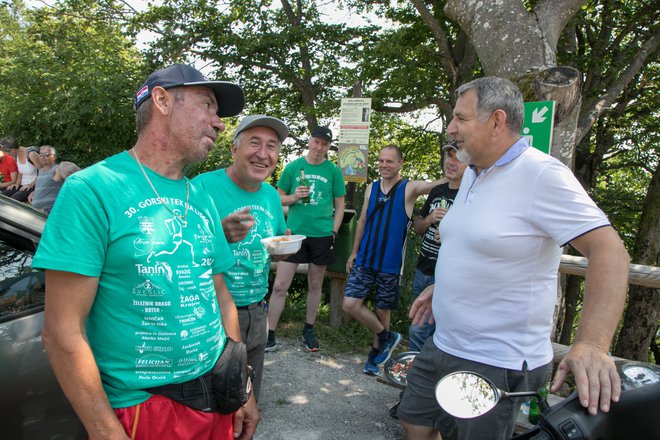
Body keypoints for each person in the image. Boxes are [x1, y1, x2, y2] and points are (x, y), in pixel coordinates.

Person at [32, 63, 260, 440]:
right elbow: (61, 332)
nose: (219, 123)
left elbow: (221, 297)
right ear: (162, 100)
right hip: (146, 410)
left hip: (216, 396)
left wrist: (241, 388)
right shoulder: (92, 190)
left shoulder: (199, 195)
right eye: (207, 106)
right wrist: (106, 432)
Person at [397, 77, 630, 440]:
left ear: (496, 121)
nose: (451, 127)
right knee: (415, 423)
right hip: (444, 341)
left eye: (461, 118)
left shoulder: (541, 174)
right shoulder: (476, 172)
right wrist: (442, 286)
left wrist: (592, 344)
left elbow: (610, 252)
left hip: (497, 359)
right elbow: (481, 244)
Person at [193, 114, 289, 402]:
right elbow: (178, 254)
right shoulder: (201, 188)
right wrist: (219, 234)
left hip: (258, 311)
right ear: (234, 150)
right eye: (254, 143)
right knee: (212, 401)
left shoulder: (271, 195)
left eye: (271, 146)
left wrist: (284, 246)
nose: (263, 154)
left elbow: (277, 241)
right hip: (212, 312)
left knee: (249, 399)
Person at [342, 145, 444, 375]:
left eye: (389, 161)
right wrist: (353, 252)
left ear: (400, 164)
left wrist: (464, 166)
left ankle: (376, 356)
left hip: (390, 263)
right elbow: (362, 222)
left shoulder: (408, 188)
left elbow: (434, 185)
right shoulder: (371, 188)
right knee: (349, 304)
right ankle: (387, 337)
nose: (384, 165)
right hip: (365, 258)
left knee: (382, 311)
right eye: (381, 161)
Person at [266, 126, 346, 352]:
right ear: (309, 142)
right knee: (280, 285)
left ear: (328, 147)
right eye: (316, 142)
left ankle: (308, 330)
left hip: (322, 234)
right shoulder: (293, 167)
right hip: (294, 234)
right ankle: (270, 334)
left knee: (315, 284)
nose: (319, 148)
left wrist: (334, 231)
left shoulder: (333, 171)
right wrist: (294, 196)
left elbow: (340, 204)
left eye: (325, 144)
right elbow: (278, 198)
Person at [408, 141, 468, 352]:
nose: (451, 162)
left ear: (469, 162)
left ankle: (419, 377)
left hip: (447, 275)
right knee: (417, 326)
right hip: (423, 269)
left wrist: (451, 233)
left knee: (425, 331)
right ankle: (415, 375)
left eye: (457, 157)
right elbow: (418, 227)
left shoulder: (471, 195)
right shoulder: (437, 191)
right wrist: (430, 219)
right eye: (448, 157)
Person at [27, 145, 61, 213]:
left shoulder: (58, 169)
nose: (43, 157)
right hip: (36, 211)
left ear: (54, 157)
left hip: (49, 211)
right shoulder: (41, 171)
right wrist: (34, 192)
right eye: (41, 155)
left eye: (46, 154)